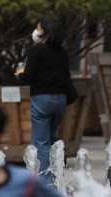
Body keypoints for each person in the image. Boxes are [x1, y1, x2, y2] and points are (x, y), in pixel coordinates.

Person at [16, 18, 70, 182]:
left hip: (42, 99)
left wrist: (19, 74)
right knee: (52, 138)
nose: (35, 31)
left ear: (45, 32)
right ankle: (57, 175)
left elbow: (28, 76)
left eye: (38, 28)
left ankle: (45, 183)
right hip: (60, 99)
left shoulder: (36, 51)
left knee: (41, 142)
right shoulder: (62, 51)